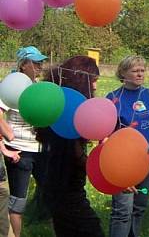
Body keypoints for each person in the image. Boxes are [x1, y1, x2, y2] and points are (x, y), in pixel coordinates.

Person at [40, 56, 104, 236]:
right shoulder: (70, 113)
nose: (95, 86)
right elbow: (77, 157)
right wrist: (108, 172)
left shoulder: (59, 104)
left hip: (58, 186)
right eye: (93, 81)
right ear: (80, 80)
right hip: (67, 190)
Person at [106, 55, 149, 237]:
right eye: (135, 71)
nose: (140, 74)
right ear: (123, 73)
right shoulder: (113, 98)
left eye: (142, 70)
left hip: (148, 159)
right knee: (122, 211)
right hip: (122, 162)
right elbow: (106, 131)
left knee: (139, 208)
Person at [0, 46, 47, 237]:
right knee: (18, 200)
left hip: (40, 149)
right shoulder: (11, 85)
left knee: (49, 190)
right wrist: (8, 134)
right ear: (23, 64)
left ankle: (41, 224)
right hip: (19, 151)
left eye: (41, 62)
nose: (40, 66)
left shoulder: (38, 87)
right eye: (36, 62)